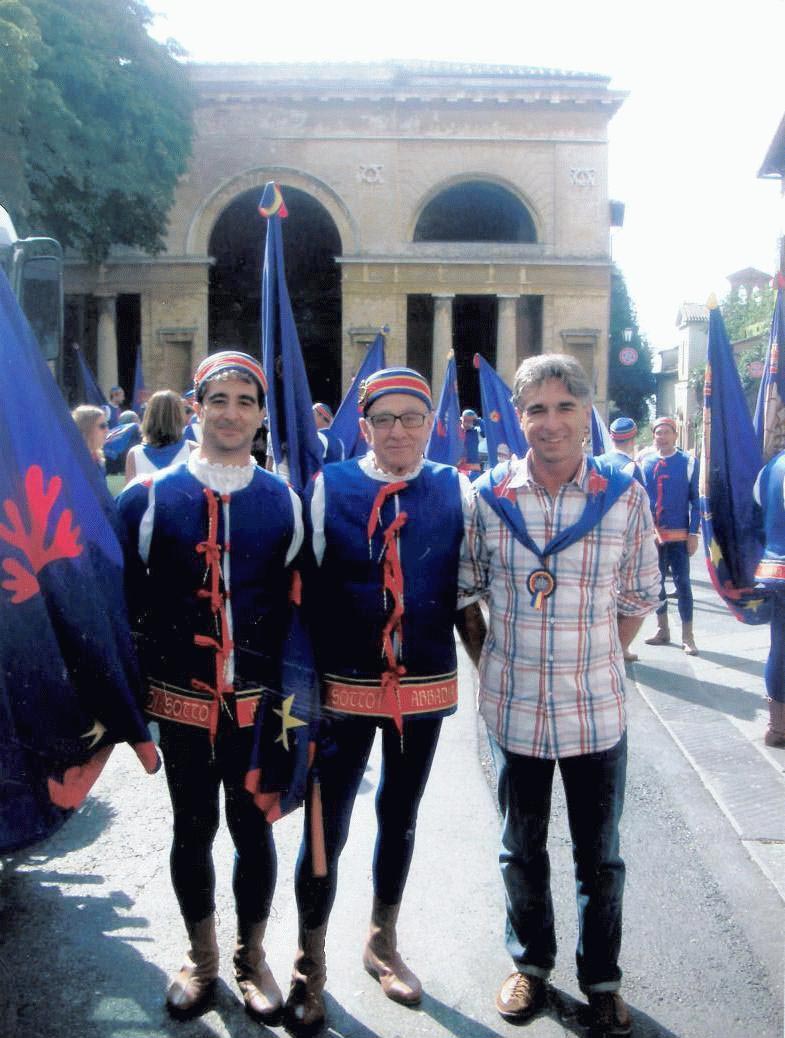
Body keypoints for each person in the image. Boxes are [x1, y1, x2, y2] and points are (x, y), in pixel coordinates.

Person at [457, 354, 659, 1036]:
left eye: (564, 406)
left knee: (599, 856)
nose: (550, 422)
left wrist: (602, 655)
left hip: (595, 711)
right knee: (520, 848)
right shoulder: (487, 496)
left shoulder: (624, 493)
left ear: (585, 411)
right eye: (535, 409)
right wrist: (492, 667)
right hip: (511, 711)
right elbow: (465, 594)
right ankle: (531, 967)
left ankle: (600, 980)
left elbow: (637, 594)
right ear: (518, 419)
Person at [284, 366, 480, 1034]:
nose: (398, 430)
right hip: (341, 694)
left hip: (422, 689)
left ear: (432, 424)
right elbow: (298, 598)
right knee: (324, 827)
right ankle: (308, 964)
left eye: (411, 418)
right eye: (384, 419)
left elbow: (468, 599)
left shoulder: (456, 489)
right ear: (362, 427)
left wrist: (496, 680)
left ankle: (381, 940)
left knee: (399, 816)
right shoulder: (326, 488)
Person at [117, 350, 304, 1022]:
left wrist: (302, 711)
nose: (231, 413)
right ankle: (200, 959)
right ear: (195, 407)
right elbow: (118, 606)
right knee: (191, 829)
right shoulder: (145, 499)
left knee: (253, 833)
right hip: (184, 706)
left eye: (244, 401)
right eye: (217, 399)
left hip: (259, 711)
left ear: (260, 415)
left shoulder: (284, 501)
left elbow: (300, 614)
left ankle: (251, 960)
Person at [640, 416, 701, 655]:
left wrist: (694, 532)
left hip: (679, 535)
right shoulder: (645, 462)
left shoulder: (687, 462)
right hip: (653, 537)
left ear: (675, 435)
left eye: (666, 432)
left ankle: (688, 636)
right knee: (657, 585)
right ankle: (662, 629)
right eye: (658, 433)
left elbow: (696, 501)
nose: (661, 437)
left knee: (683, 584)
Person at [752, 452, 785, 747]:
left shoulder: (771, 467)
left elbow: (756, 518)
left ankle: (777, 726)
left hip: (777, 569)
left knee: (780, 647)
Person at [124, 388, 191, 484]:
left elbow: (130, 497)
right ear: (179, 416)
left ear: (148, 416)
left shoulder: (134, 454)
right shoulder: (194, 450)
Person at [71, 404, 109, 468]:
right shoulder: (73, 460)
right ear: (87, 428)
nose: (107, 430)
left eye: (107, 425)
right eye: (102, 426)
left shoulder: (98, 458)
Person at [458, 408, 485, 480]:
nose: (467, 423)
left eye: (470, 421)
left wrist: (479, 421)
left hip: (474, 469)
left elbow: (486, 433)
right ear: (461, 420)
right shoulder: (456, 431)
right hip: (459, 468)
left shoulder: (476, 432)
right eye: (465, 420)